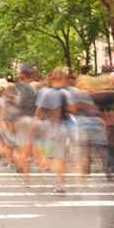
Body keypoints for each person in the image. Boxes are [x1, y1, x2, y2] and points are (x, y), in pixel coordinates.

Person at [32, 66, 75, 195]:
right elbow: (72, 110)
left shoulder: (44, 93)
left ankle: (60, 184)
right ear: (64, 78)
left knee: (55, 158)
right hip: (63, 128)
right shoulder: (66, 93)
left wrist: (35, 126)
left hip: (49, 129)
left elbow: (38, 111)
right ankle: (60, 182)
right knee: (60, 157)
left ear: (52, 77)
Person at [14, 65, 37, 187]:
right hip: (34, 119)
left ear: (22, 74)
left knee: (22, 149)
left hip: (23, 120)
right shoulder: (35, 87)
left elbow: (18, 105)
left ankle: (26, 179)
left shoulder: (22, 89)